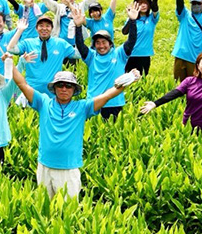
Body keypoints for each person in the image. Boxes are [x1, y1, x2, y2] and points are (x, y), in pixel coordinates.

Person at [11, 64, 141, 198]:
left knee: (68, 212)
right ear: (54, 88)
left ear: (74, 90)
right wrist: (9, 63)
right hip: (44, 166)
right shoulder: (43, 102)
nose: (64, 89)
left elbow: (107, 96)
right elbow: (23, 85)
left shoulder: (82, 107)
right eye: (60, 85)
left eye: (68, 86)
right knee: (45, 210)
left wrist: (129, 78)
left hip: (69, 168)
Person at [140, 52, 202, 134]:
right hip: (189, 127)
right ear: (197, 65)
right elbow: (175, 93)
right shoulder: (189, 81)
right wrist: (155, 103)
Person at [73, 2, 141, 119]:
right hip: (94, 102)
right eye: (98, 43)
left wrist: (133, 21)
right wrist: (78, 27)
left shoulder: (119, 54)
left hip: (114, 103)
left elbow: (132, 40)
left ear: (110, 44)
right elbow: (80, 44)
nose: (101, 46)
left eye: (104, 42)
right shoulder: (91, 56)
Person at [7, 12, 77, 96]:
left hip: (52, 91)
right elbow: (11, 49)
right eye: (41, 26)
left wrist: (79, 28)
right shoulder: (28, 43)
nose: (44, 28)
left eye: (47, 26)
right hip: (31, 89)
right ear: (36, 28)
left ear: (52, 28)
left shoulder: (61, 43)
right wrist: (20, 30)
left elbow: (79, 55)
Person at [36, 0, 104, 42]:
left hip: (76, 42)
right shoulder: (59, 8)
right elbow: (49, 2)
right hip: (61, 41)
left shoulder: (80, 6)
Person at [121, 0, 160, 75]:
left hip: (145, 55)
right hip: (130, 54)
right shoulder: (132, 19)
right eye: (140, 3)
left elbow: (155, 6)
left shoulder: (152, 19)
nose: (143, 5)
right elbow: (124, 32)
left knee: (142, 80)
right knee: (128, 79)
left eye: (145, 3)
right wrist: (131, 18)